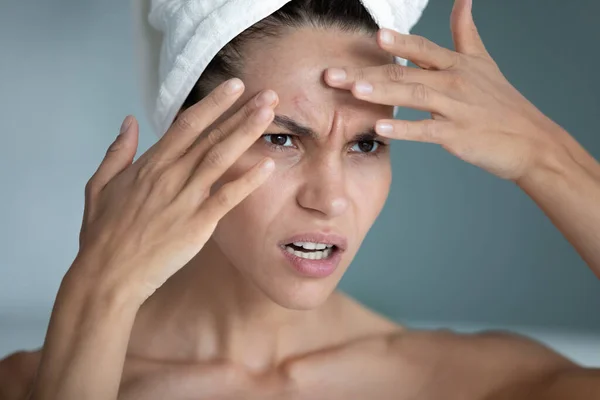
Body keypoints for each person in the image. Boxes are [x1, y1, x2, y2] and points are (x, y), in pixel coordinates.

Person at [1, 0, 600, 399]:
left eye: (366, 144)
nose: (330, 198)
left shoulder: (463, 385)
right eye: (282, 137)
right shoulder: (47, 380)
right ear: (182, 140)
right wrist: (101, 289)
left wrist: (547, 156)